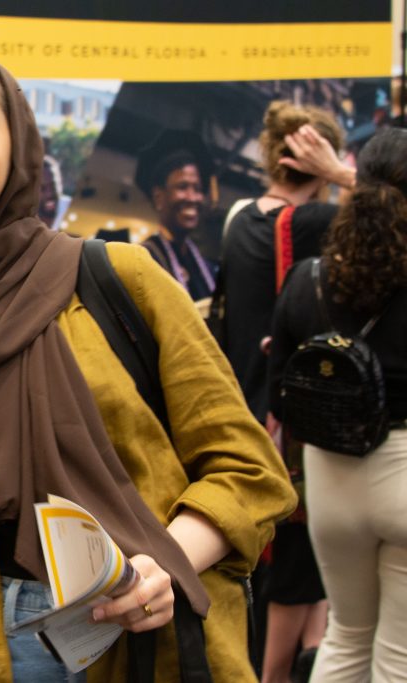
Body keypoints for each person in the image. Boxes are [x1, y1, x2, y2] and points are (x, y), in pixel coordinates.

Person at [0, 42, 296, 683]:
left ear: (19, 147)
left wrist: (167, 561)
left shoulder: (118, 281)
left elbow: (247, 469)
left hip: (147, 633)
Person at [216, 101, 352, 683]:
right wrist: (348, 179)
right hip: (294, 427)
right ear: (322, 157)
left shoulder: (238, 217)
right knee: (303, 576)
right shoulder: (317, 225)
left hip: (242, 410)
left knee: (269, 574)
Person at [268, 127, 407, 683]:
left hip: (330, 480)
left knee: (346, 635)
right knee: (398, 653)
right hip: (403, 469)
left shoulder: (308, 279)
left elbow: (280, 388)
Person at [134, 129, 217, 301]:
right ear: (158, 197)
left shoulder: (204, 266)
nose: (192, 198)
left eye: (198, 189)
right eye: (182, 187)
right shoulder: (144, 261)